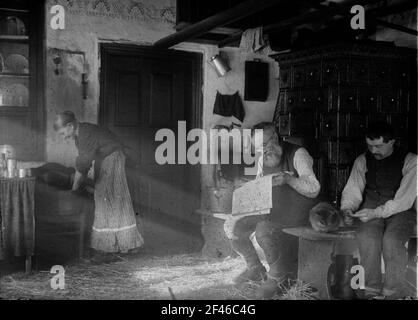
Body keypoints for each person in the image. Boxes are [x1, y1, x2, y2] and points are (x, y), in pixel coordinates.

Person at [229, 122, 320, 298]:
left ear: (275, 138)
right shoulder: (264, 158)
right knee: (234, 226)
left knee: (264, 229)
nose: (263, 152)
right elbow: (260, 186)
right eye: (258, 149)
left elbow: (314, 188)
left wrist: (289, 180)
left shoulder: (299, 154)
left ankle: (278, 277)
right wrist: (247, 185)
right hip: (272, 210)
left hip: (297, 210)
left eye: (264, 146)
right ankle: (255, 268)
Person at [53, 111, 144, 262]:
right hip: (107, 159)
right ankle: (119, 246)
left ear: (70, 126)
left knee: (105, 198)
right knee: (107, 198)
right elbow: (86, 161)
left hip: (113, 159)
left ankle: (108, 249)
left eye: (63, 133)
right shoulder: (80, 135)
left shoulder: (86, 133)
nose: (64, 138)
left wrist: (74, 189)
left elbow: (83, 165)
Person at [340, 121, 417, 299]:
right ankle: (370, 291)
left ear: (392, 142)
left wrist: (376, 213)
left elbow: (404, 199)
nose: (373, 151)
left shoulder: (412, 161)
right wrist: (347, 210)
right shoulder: (362, 160)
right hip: (371, 208)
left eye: (379, 146)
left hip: (401, 211)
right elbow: (353, 190)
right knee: (367, 238)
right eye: (370, 145)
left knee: (392, 240)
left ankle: (393, 292)